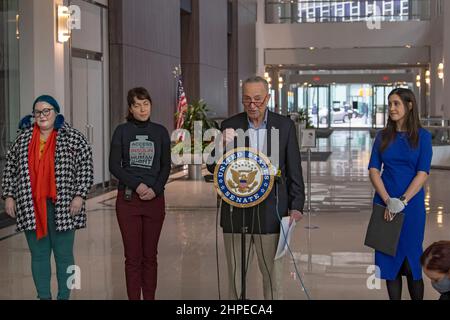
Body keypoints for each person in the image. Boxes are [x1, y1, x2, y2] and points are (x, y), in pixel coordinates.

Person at [207, 76, 305, 300]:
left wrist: (296, 205)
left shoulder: (284, 126)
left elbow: (294, 170)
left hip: (272, 212)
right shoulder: (230, 125)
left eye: (258, 100)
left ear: (268, 98)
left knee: (273, 279)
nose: (252, 105)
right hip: (235, 213)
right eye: (247, 100)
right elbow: (213, 166)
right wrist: (219, 143)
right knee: (235, 280)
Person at [1, 95, 93, 300]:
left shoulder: (73, 137)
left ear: (56, 112)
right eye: (37, 112)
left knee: (65, 256)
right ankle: (43, 296)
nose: (42, 116)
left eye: (46, 111)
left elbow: (86, 167)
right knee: (39, 256)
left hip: (65, 207)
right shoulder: (22, 139)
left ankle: (65, 296)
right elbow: (10, 169)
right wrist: (8, 196)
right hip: (31, 206)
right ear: (33, 115)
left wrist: (79, 195)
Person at [368, 88, 433, 300]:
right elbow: (374, 170)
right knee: (389, 262)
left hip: (411, 206)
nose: (392, 108)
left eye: (396, 103)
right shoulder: (383, 136)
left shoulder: (422, 137)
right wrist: (388, 200)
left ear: (409, 105)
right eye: (390, 104)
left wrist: (402, 201)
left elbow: (422, 173)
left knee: (411, 262)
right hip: (384, 202)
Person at [109, 87, 171, 300]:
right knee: (133, 257)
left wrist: (155, 189)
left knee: (150, 256)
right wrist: (138, 186)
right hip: (128, 201)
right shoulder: (122, 131)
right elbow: (114, 166)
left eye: (146, 104)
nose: (142, 109)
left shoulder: (161, 132)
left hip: (155, 200)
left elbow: (166, 166)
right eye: (137, 105)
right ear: (130, 108)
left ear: (151, 105)